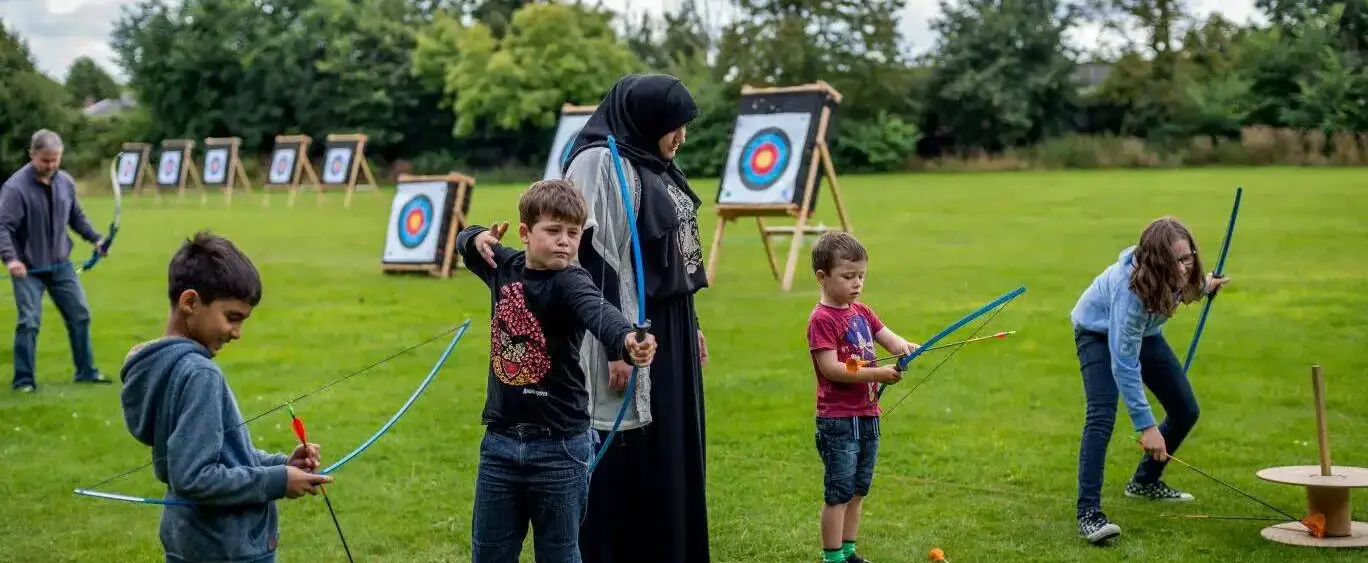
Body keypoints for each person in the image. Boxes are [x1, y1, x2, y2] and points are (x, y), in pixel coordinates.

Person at [456, 179, 659, 563]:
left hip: (561, 446)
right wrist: (477, 236)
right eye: (552, 231)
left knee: (559, 553)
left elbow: (600, 314)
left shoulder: (571, 281)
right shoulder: (504, 266)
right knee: (490, 553)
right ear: (525, 233)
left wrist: (629, 342)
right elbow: (465, 243)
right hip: (499, 443)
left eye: (573, 232)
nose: (565, 241)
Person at [561, 73, 711, 563]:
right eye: (674, 126)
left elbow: (666, 257)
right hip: (622, 329)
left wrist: (693, 327)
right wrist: (614, 345)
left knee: (670, 449)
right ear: (645, 119)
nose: (680, 137)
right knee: (628, 450)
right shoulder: (597, 160)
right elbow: (588, 256)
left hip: (669, 326)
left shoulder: (650, 159)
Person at [119, 231, 333, 562]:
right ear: (190, 302)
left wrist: (280, 465)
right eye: (231, 317)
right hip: (226, 546)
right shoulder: (199, 374)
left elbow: (213, 454)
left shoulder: (160, 364)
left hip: (190, 539)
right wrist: (277, 481)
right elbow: (196, 477)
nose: (237, 332)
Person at [1070, 216, 1231, 545]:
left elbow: (1187, 286)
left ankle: (1144, 482)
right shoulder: (1131, 292)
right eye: (1177, 261)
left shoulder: (1179, 272)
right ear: (1157, 262)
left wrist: (1205, 285)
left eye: (1189, 258)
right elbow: (1124, 362)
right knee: (1101, 415)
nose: (1185, 267)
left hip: (1145, 334)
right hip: (1097, 333)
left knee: (1185, 409)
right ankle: (1089, 513)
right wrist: (1146, 427)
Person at [805, 232, 919, 563]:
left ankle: (850, 552)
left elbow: (890, 339)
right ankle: (833, 558)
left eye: (861, 276)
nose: (857, 284)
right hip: (838, 420)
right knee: (838, 494)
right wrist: (878, 374)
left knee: (857, 490)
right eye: (848, 276)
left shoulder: (862, 312)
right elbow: (831, 369)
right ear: (822, 278)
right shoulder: (822, 320)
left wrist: (906, 348)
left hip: (867, 415)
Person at [0, 129, 110, 391]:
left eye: (55, 159)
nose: (51, 165)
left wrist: (96, 239)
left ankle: (86, 372)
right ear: (32, 154)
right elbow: (3, 227)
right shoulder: (15, 188)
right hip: (27, 268)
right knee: (29, 322)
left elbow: (76, 217)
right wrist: (10, 259)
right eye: (45, 160)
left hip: (61, 265)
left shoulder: (66, 183)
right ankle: (24, 381)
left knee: (80, 315)